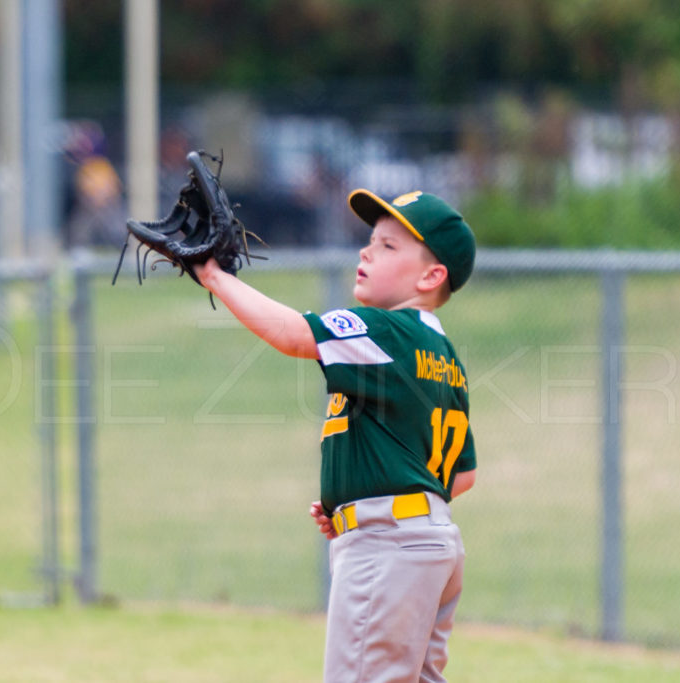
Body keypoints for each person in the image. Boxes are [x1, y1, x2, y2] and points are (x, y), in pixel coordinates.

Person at [194, 189, 478, 683]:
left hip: (389, 550)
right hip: (433, 545)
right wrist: (370, 494)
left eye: (389, 247)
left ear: (432, 276)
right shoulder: (444, 356)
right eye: (371, 241)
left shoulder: (387, 331)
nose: (366, 252)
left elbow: (292, 333)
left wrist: (215, 276)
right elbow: (464, 474)